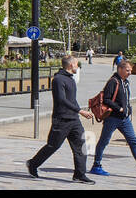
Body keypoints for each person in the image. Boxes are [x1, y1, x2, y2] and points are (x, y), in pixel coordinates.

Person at [27, 54, 95, 183]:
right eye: (76, 64)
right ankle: (33, 164)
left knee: (81, 146)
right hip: (62, 119)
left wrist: (79, 111)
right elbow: (61, 100)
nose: (78, 66)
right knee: (53, 146)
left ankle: (79, 174)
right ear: (71, 65)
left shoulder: (71, 79)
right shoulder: (58, 79)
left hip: (74, 120)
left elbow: (72, 100)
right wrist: (80, 111)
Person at [90, 57, 136, 178]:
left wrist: (127, 109)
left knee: (133, 142)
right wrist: (119, 108)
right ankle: (96, 166)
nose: (130, 72)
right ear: (120, 69)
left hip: (125, 119)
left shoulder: (126, 82)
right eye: (128, 70)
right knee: (104, 141)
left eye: (130, 70)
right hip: (112, 118)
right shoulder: (113, 81)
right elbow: (106, 99)